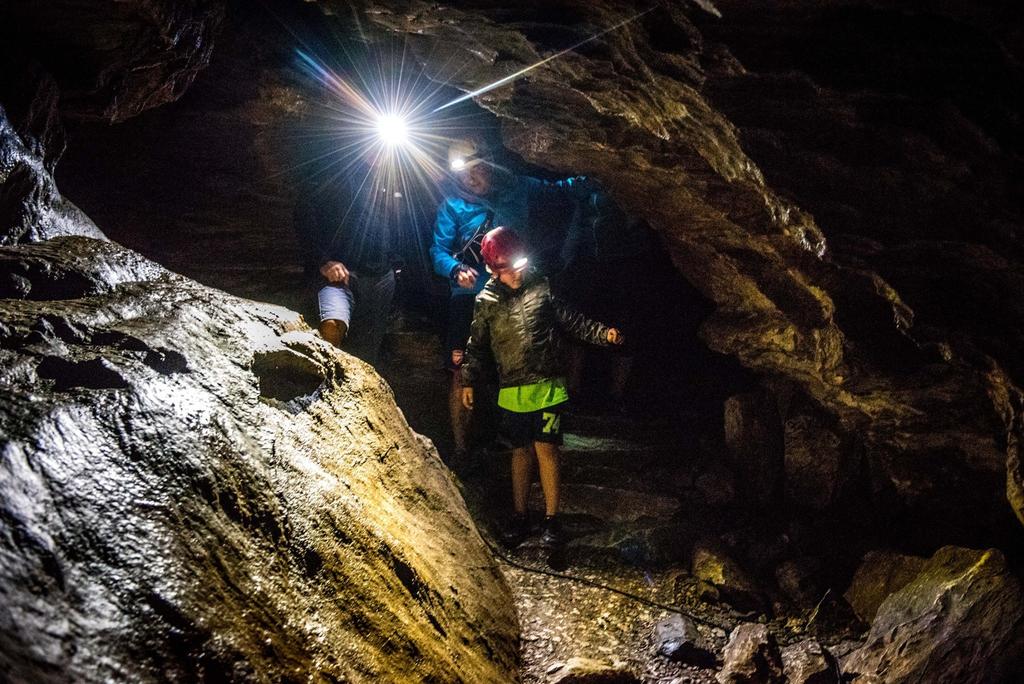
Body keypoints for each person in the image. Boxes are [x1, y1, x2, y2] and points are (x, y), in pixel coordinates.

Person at [461, 227, 623, 547]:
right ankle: (520, 516)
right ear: (493, 269)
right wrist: (468, 379)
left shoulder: (542, 288)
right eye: (507, 267)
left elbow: (572, 320)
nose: (517, 272)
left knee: (546, 450)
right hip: (512, 388)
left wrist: (603, 334)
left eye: (520, 263)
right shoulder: (486, 301)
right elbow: (476, 345)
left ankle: (552, 520)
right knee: (520, 452)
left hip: (548, 384)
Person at [431, 137, 591, 459]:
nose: (469, 181)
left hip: (514, 295)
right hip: (470, 298)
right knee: (461, 369)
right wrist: (455, 269)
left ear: (488, 163)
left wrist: (598, 174)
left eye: (474, 171)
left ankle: (512, 437)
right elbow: (438, 249)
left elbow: (559, 189)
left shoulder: (517, 189)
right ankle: (462, 449)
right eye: (462, 176)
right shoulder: (453, 205)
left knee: (515, 366)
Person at [295, 161, 410, 365]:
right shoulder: (337, 169)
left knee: (366, 352)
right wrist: (323, 261)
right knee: (332, 327)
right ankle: (323, 386)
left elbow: (401, 224)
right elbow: (305, 208)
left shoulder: (392, 176)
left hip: (380, 275)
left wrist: (395, 264)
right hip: (340, 272)